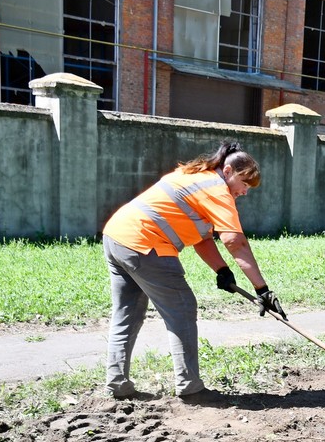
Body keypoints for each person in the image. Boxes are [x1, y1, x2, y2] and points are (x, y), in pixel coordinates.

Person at [101, 140, 286, 401]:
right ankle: (190, 388)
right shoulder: (217, 190)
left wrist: (222, 270)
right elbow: (235, 242)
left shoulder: (195, 176)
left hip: (116, 236)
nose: (245, 191)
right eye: (244, 184)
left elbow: (202, 238)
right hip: (146, 244)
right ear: (229, 171)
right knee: (182, 308)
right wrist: (263, 290)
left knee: (127, 314)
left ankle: (117, 384)